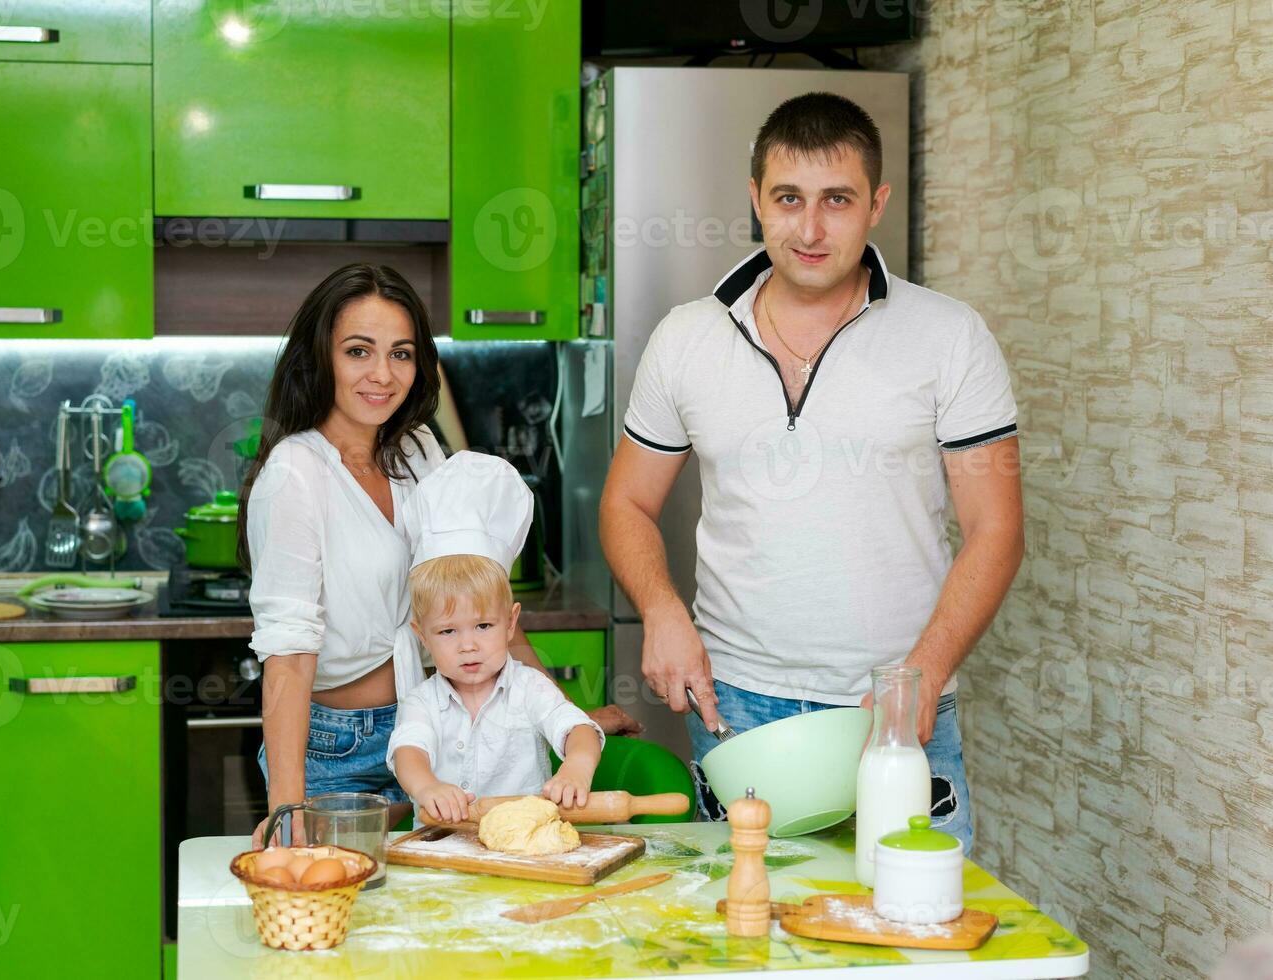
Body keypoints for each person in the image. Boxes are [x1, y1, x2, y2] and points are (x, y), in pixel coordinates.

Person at [599, 93, 1025, 852]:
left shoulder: (950, 337)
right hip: (736, 707)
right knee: (748, 943)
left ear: (877, 205)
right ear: (756, 198)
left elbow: (998, 530)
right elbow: (627, 502)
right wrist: (662, 610)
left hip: (894, 710)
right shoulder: (687, 338)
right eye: (789, 198)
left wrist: (920, 679)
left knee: (914, 941)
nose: (811, 227)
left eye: (838, 200)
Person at [240, 264, 631, 846]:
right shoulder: (296, 474)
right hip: (334, 749)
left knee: (442, 908)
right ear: (320, 357)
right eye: (358, 351)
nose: (382, 374)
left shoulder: (418, 448)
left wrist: (562, 718)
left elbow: (478, 598)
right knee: (346, 915)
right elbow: (290, 657)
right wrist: (287, 809)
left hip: (440, 728)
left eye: (401, 353)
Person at [387, 452, 604, 823]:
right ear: (422, 635)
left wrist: (576, 768)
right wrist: (427, 788)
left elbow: (578, 728)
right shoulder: (422, 701)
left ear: (510, 623)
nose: (467, 645)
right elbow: (409, 752)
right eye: (448, 631)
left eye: (483, 626)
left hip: (523, 847)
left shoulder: (528, 689)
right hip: (445, 851)